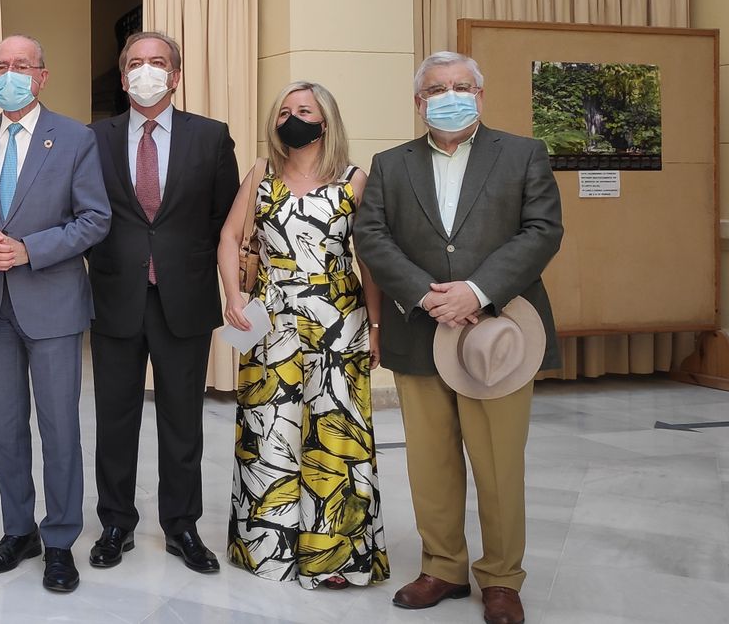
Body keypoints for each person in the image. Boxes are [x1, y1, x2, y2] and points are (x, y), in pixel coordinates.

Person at [353, 51, 562, 624]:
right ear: (419, 102)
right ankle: (442, 567)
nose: (451, 94)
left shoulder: (523, 154)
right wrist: (424, 292)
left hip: (498, 335)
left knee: (497, 464)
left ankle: (500, 578)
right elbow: (370, 234)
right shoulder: (391, 164)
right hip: (420, 330)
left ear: (480, 93)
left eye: (462, 85)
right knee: (431, 461)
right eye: (438, 88)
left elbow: (543, 231)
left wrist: (476, 290)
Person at [0, 35, 111, 594]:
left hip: (53, 307)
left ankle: (59, 539)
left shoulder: (75, 138)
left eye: (20, 67)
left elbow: (94, 219)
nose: (8, 75)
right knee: (3, 431)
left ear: (41, 76)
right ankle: (19, 531)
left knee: (60, 429)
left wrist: (32, 248)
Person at [218, 81, 389, 590]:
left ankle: (334, 556)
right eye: (285, 111)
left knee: (337, 435)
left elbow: (369, 259)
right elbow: (229, 237)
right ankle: (267, 550)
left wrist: (377, 326)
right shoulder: (260, 173)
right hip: (271, 319)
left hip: (340, 318)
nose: (293, 118)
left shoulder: (355, 180)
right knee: (268, 429)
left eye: (305, 110)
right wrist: (232, 297)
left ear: (326, 119)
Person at [85, 32, 237, 573]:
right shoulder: (93, 139)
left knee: (182, 420)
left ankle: (182, 526)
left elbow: (226, 222)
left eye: (156, 63)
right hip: (114, 297)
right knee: (115, 420)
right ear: (122, 75)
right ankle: (115, 524)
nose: (145, 71)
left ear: (175, 76)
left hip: (185, 299)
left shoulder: (212, 138)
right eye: (134, 63)